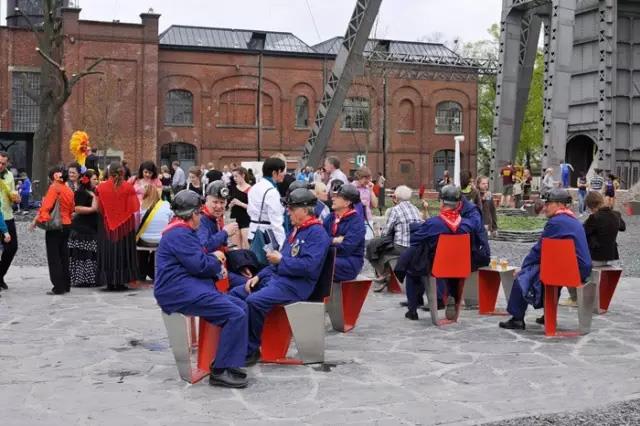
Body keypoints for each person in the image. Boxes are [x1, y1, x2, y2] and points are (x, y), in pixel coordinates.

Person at [154, 190, 250, 388]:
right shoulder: (179, 233)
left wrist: (212, 262)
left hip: (186, 286)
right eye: (199, 212)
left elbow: (197, 261)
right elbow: (199, 265)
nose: (200, 216)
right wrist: (216, 260)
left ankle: (230, 361)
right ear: (192, 214)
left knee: (241, 306)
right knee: (235, 314)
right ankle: (220, 370)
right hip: (177, 292)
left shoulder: (181, 231)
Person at [230, 188, 330, 364]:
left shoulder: (317, 233)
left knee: (254, 301)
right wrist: (259, 276)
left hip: (296, 285)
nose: (288, 212)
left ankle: (251, 349)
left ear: (304, 210)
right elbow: (277, 262)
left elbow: (309, 267)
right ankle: (236, 340)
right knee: (235, 294)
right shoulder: (297, 230)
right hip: (279, 280)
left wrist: (282, 261)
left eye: (291, 208)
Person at [499, 188, 592, 330]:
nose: (545, 207)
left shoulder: (556, 222)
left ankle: (517, 318)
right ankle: (548, 314)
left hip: (573, 271)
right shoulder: (572, 220)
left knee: (523, 277)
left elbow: (539, 250)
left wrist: (523, 268)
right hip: (579, 269)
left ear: (560, 204)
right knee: (548, 277)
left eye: (548, 204)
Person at [396, 185, 487, 320]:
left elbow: (414, 240)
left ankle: (412, 310)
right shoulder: (468, 225)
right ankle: (451, 295)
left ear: (442, 202)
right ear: (459, 204)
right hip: (459, 266)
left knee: (413, 267)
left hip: (435, 267)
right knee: (450, 270)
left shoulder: (433, 224)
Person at [367, 185, 422, 291]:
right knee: (382, 248)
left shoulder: (395, 210)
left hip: (402, 246)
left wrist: (379, 234)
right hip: (415, 245)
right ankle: (385, 274)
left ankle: (383, 274)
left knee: (373, 246)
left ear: (396, 197)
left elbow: (386, 232)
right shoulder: (415, 208)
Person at [96, 161, 140, 291]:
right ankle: (122, 280)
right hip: (125, 226)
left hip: (107, 225)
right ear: (123, 172)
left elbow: (99, 208)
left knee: (109, 250)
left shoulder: (101, 187)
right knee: (123, 251)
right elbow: (134, 207)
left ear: (109, 173)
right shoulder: (128, 187)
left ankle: (109, 281)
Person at [31, 167, 75, 295]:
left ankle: (58, 286)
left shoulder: (54, 188)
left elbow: (46, 207)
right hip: (67, 224)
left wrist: (39, 221)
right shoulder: (68, 189)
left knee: (54, 257)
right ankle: (66, 284)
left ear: (52, 178)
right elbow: (72, 208)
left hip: (55, 226)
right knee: (64, 255)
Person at [323, 184, 365, 282]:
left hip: (350, 263)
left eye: (337, 197)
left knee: (318, 263)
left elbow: (345, 249)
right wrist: (334, 240)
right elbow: (319, 240)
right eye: (333, 195)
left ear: (347, 202)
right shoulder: (330, 217)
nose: (333, 198)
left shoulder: (356, 222)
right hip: (330, 257)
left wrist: (326, 244)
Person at [68, 170, 100, 288]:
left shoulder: (94, 191)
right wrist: (92, 209)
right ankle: (81, 279)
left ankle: (91, 278)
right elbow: (77, 208)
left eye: (97, 179)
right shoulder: (80, 192)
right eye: (94, 179)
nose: (97, 181)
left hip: (92, 228)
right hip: (82, 229)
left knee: (91, 255)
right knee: (82, 255)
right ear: (87, 180)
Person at [247, 157, 287, 249]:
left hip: (253, 232)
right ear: (274, 173)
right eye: (282, 171)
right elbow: (276, 222)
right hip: (267, 237)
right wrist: (283, 245)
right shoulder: (271, 192)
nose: (284, 173)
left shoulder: (254, 188)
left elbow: (250, 211)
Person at [137, 184, 173, 281]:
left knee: (140, 245)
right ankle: (152, 270)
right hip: (160, 240)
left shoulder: (140, 205)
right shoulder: (166, 204)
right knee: (158, 244)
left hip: (143, 240)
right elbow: (171, 220)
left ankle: (141, 272)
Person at [0, 151, 18, 291]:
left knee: (12, 248)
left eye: (3, 163)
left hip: (7, 216)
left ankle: (0, 275)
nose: (0, 165)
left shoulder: (10, 176)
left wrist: (16, 199)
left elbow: (12, 194)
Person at [228, 167, 252, 249]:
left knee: (247, 247)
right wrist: (230, 205)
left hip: (246, 220)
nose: (234, 178)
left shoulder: (250, 189)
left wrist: (240, 203)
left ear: (243, 175)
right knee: (236, 248)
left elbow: (253, 208)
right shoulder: (232, 188)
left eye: (236, 176)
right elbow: (227, 205)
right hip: (234, 219)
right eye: (233, 176)